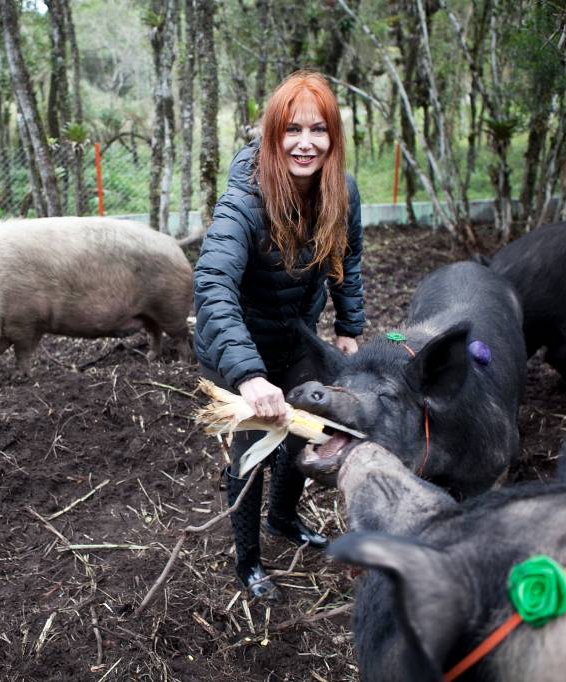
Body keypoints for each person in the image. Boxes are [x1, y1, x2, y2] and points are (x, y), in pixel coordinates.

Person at [193, 70, 365, 599]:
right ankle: (248, 561)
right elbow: (212, 281)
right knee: (253, 449)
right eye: (293, 129)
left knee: (303, 432)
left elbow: (347, 258)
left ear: (333, 137)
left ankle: (283, 520)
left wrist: (348, 327)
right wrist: (247, 376)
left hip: (296, 335)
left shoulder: (342, 192)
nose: (305, 143)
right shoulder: (245, 196)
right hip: (238, 344)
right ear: (273, 134)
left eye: (318, 130)